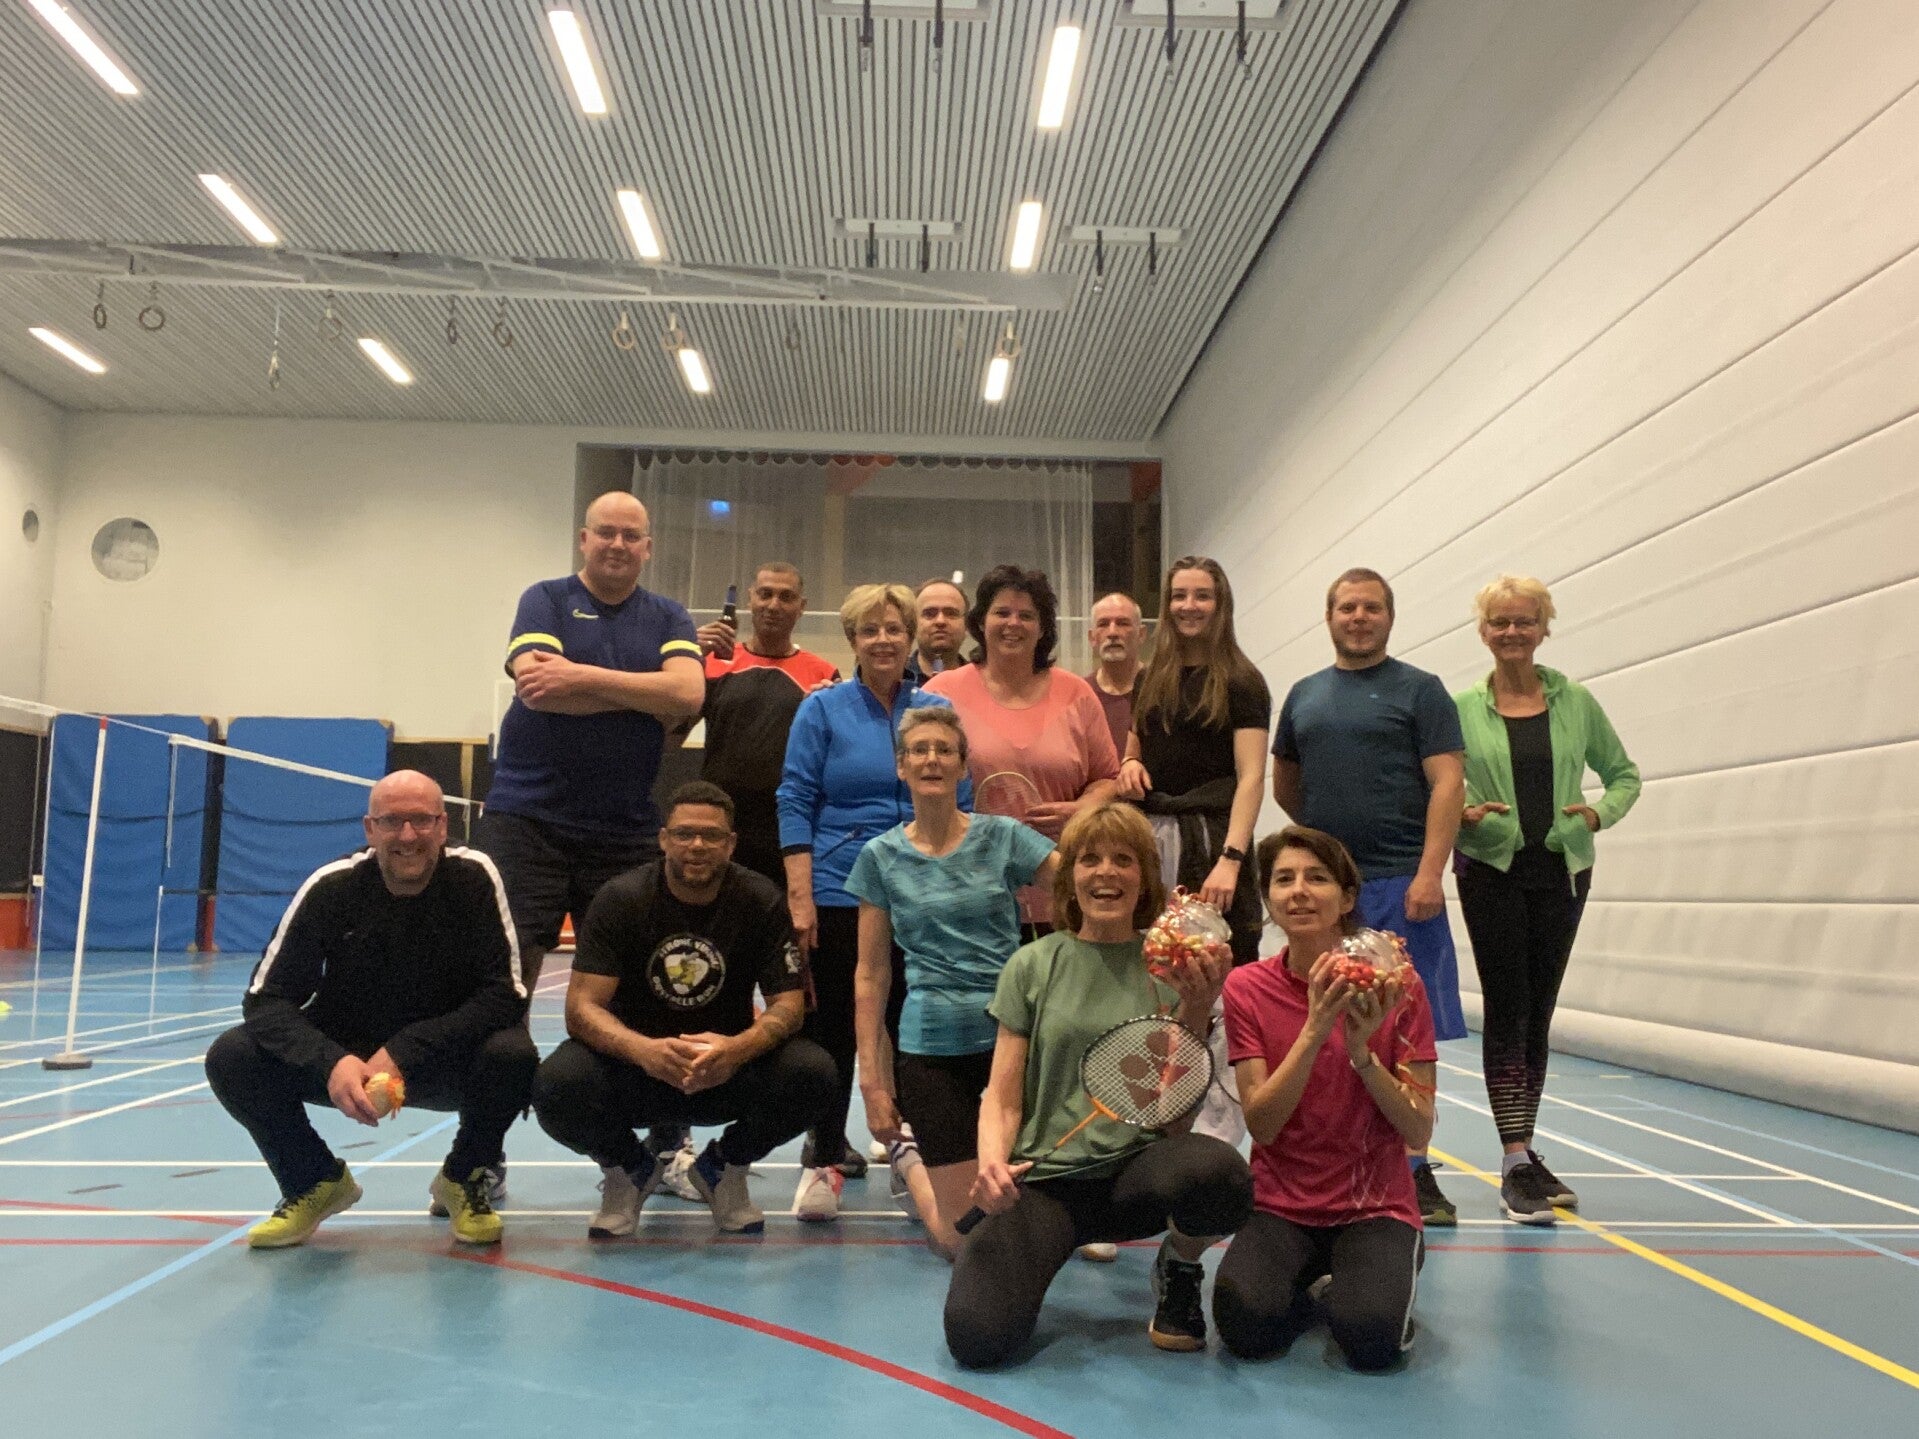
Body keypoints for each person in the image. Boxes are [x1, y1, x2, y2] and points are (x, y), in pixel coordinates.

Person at [943, 803, 1253, 1368]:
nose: (1106, 872)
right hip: (1046, 1184)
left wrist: (1195, 1007)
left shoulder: (1171, 969)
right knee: (976, 1339)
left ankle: (1180, 1263)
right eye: (1089, 859)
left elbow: (1172, 1122)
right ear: (1070, 877)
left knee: (1219, 1173)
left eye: (1123, 859)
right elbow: (1003, 1097)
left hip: (1137, 1178)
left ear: (1145, 879)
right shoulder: (1032, 965)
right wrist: (991, 1166)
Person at [205, 771, 534, 1249]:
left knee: (513, 1055)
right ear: (369, 828)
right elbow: (265, 1000)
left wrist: (404, 1050)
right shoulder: (332, 887)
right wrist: (331, 1061)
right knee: (233, 1056)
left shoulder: (474, 876)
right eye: (392, 821)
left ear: (443, 825)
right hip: (350, 1060)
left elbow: (505, 994)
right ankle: (312, 1181)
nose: (408, 836)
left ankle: (464, 1177)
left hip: (443, 1055)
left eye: (422, 820)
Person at [530, 782, 835, 1237]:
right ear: (663, 839)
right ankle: (629, 1170)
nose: (697, 845)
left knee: (814, 1072)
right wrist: (643, 1051)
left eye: (711, 835)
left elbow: (789, 1005)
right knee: (557, 1083)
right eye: (684, 833)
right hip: (638, 1070)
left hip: (722, 1070)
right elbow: (581, 1008)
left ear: (730, 844)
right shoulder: (622, 898)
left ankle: (723, 1169)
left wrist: (736, 1050)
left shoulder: (760, 899)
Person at [1271, 566, 1466, 1226]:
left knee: (1404, 1031)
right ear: (1329, 617)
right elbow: (1286, 783)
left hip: (1400, 887)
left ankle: (1414, 1168)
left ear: (1389, 616)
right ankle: (1332, 1160)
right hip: (1330, 894)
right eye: (1347, 607)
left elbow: (1448, 783)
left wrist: (1429, 872)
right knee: (1324, 1027)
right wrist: (1321, 859)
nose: (1358, 617)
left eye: (1371, 607)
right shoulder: (1303, 695)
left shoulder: (1421, 690)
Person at [1212, 826, 1437, 1371]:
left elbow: (1418, 1129)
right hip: (1280, 1206)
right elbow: (1262, 1125)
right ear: (1269, 899)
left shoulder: (1398, 985)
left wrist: (1363, 1054)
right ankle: (1317, 1287)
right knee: (1245, 1328)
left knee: (1371, 1340)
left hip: (1375, 1206)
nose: (1299, 891)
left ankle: (1368, 1283)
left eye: (1317, 878)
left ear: (1347, 897)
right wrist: (1315, 1030)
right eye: (1283, 879)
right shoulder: (1246, 988)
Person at [1453, 575, 1640, 1223]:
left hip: (1562, 873)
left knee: (1538, 1013)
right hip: (1490, 870)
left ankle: (1524, 1150)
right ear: (1483, 631)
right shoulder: (1460, 708)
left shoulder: (1575, 702)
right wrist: (1462, 812)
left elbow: (1623, 775)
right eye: (1500, 621)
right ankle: (1513, 1160)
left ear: (1543, 628)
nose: (1512, 632)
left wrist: (1597, 814)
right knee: (1507, 1008)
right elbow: (1432, 786)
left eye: (1524, 621)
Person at [777, 583, 966, 1218]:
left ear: (910, 637)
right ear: (852, 640)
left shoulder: (935, 708)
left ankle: (916, 1159)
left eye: (894, 629)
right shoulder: (821, 709)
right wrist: (800, 897)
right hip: (839, 890)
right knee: (833, 1032)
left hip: (921, 893)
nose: (883, 640)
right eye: (869, 630)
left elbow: (960, 798)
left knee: (916, 1027)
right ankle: (825, 1158)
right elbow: (794, 797)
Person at [846, 706, 1058, 1257]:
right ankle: (909, 1160)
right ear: (901, 767)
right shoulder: (880, 857)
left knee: (1027, 1217)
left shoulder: (1004, 837)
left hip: (1011, 1040)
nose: (932, 759)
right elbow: (871, 974)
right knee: (959, 1242)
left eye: (944, 750)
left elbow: (1080, 889)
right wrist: (874, 1083)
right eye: (919, 750)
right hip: (931, 1049)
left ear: (963, 767)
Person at [479, 491, 704, 989]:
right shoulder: (545, 599)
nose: (617, 544)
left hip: (624, 829)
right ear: (584, 539)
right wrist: (646, 696)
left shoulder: (669, 615)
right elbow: (538, 690)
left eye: (630, 535)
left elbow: (688, 694)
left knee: (629, 984)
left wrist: (577, 676)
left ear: (648, 547)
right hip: (528, 821)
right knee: (507, 976)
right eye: (606, 532)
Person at [926, 565, 1118, 934]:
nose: (1013, 623)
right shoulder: (941, 693)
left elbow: (1108, 778)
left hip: (1062, 892)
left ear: (1043, 628)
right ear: (980, 622)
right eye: (1002, 612)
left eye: (1026, 615)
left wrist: (1082, 809)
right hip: (968, 893)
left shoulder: (1077, 693)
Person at [1119, 558, 1269, 965]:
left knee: (1217, 957)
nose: (1189, 606)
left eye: (1202, 596)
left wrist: (1231, 860)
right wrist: (1129, 764)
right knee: (1151, 959)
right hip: (1152, 835)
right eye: (1179, 596)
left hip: (1213, 839)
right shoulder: (1149, 678)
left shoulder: (1242, 680)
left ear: (1220, 604)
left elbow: (1252, 778)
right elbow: (1134, 749)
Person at [694, 562, 840, 885]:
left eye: (786, 597)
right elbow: (668, 731)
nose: (773, 605)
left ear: (802, 607)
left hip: (788, 826)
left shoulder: (824, 675)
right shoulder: (713, 661)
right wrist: (688, 655)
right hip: (720, 823)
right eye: (765, 594)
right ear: (750, 599)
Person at [1085, 591, 1146, 758]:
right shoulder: (1080, 695)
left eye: (1123, 623)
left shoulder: (1161, 692)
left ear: (1141, 634)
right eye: (1103, 624)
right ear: (1092, 637)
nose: (1112, 632)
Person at [906, 578, 968, 684]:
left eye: (951, 613)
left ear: (967, 625)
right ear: (913, 623)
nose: (940, 621)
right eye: (929, 614)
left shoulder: (983, 682)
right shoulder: (893, 680)